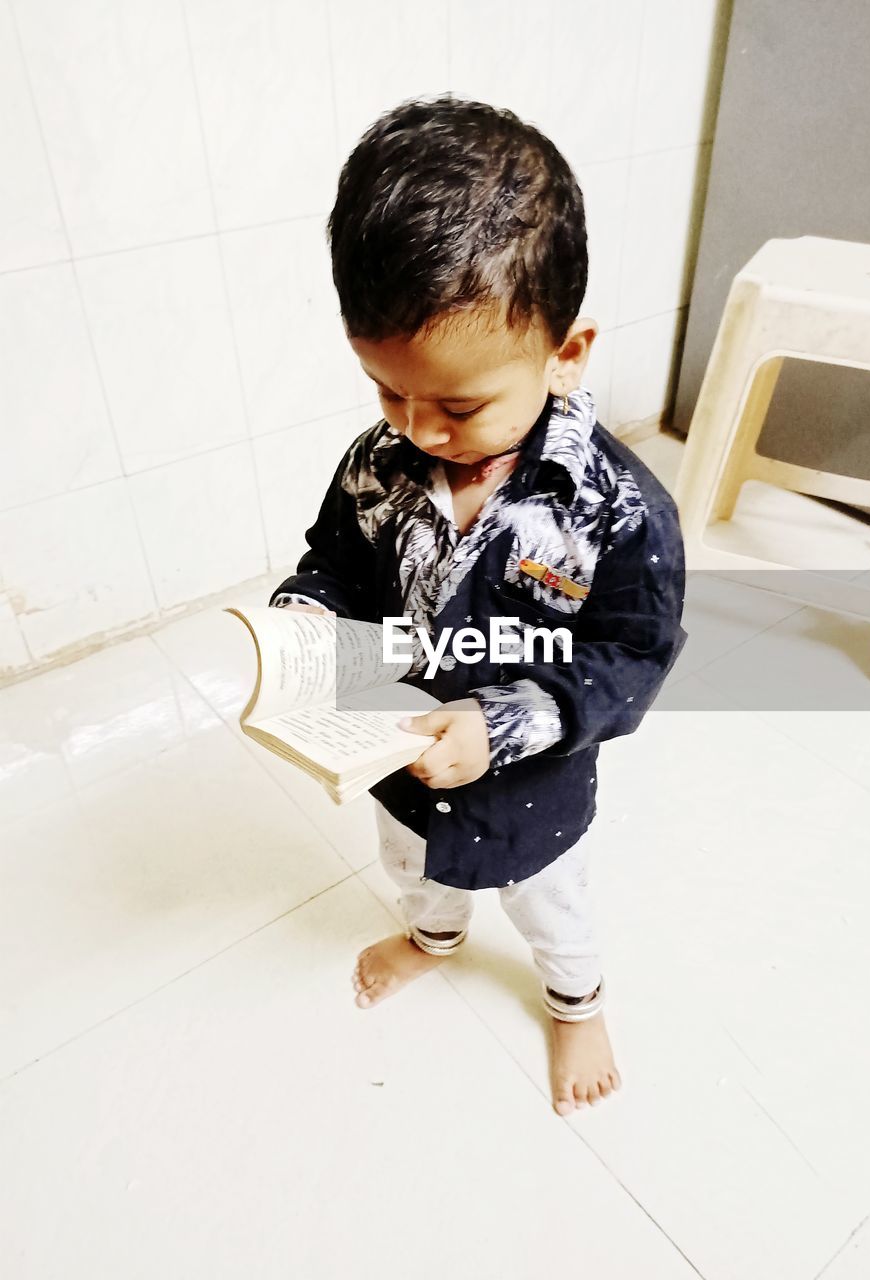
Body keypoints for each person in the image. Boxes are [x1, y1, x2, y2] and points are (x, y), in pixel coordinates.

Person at [270, 95, 688, 1116]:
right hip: (402, 770)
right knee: (418, 875)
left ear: (567, 352)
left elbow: (631, 661)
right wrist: (308, 613)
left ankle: (576, 999)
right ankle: (433, 937)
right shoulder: (380, 464)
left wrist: (500, 724)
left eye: (458, 406)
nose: (418, 429)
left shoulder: (617, 509)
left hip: (531, 799)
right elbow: (333, 557)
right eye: (386, 390)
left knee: (553, 911)